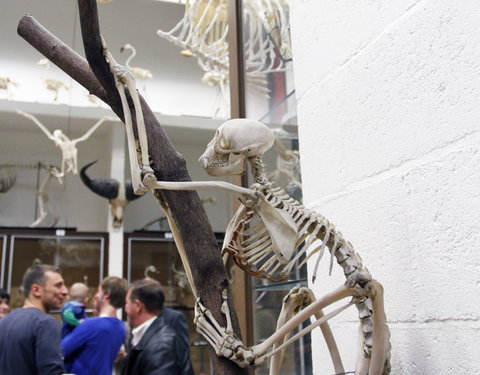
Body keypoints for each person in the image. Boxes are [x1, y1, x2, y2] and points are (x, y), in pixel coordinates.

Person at [0, 264, 68, 375]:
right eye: (58, 286)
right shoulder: (46, 323)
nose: (65, 291)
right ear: (36, 290)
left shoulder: (4, 322)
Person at [123, 279, 194, 375]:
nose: (125, 308)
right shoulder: (142, 334)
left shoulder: (160, 345)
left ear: (137, 305)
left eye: (127, 303)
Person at [61, 276, 127, 375]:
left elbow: (62, 350)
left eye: (99, 291)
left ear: (106, 295)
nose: (95, 296)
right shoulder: (121, 327)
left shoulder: (91, 324)